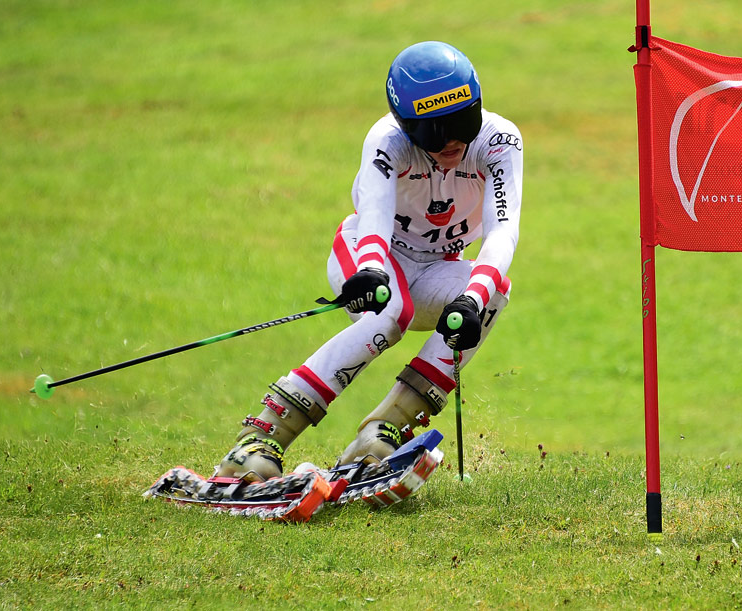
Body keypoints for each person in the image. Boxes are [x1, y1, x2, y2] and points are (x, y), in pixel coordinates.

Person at [215, 41, 523, 481]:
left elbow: (502, 232)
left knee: (493, 294)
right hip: (369, 255)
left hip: (436, 266)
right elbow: (374, 221)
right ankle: (260, 438)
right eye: (434, 131)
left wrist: (472, 298)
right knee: (389, 315)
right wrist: (372, 269)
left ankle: (383, 432)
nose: (453, 139)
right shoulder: (387, 140)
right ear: (405, 124)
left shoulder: (499, 141)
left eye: (463, 120)